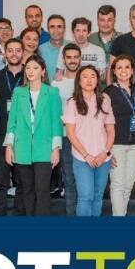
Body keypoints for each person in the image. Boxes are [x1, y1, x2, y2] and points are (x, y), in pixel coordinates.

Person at [7, 54, 63, 216]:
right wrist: (9, 146)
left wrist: (56, 149)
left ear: (43, 71)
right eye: (28, 68)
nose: (31, 71)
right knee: (26, 189)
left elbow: (56, 123)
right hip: (22, 147)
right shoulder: (19, 92)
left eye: (35, 68)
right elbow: (12, 122)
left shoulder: (52, 92)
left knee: (42, 189)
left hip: (45, 148)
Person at [64, 64, 114, 216]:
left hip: (103, 158)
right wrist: (86, 155)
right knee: (85, 197)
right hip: (82, 158)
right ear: (79, 81)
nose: (89, 80)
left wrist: (105, 153)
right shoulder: (72, 102)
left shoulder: (105, 100)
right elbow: (70, 133)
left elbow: (111, 130)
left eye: (93, 76)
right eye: (85, 77)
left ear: (98, 80)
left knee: (97, 197)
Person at [105, 55, 135, 216]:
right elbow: (102, 122)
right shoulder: (108, 92)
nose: (123, 71)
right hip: (117, 145)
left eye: (127, 67)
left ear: (132, 70)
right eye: (119, 67)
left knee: (128, 185)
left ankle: (121, 214)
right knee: (118, 185)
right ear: (114, 71)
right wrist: (107, 150)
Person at [0, 39, 24, 215]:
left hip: (25, 134)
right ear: (5, 54)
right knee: (2, 179)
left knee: (22, 180)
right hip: (2, 132)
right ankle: (0, 216)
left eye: (18, 50)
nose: (14, 54)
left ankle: (20, 216)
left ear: (23, 53)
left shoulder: (30, 75)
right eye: (10, 50)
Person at [54, 44, 82, 215]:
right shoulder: (56, 83)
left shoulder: (87, 80)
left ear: (80, 58)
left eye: (75, 57)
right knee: (70, 180)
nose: (72, 60)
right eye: (69, 57)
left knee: (85, 181)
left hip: (85, 138)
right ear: (63, 59)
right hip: (65, 137)